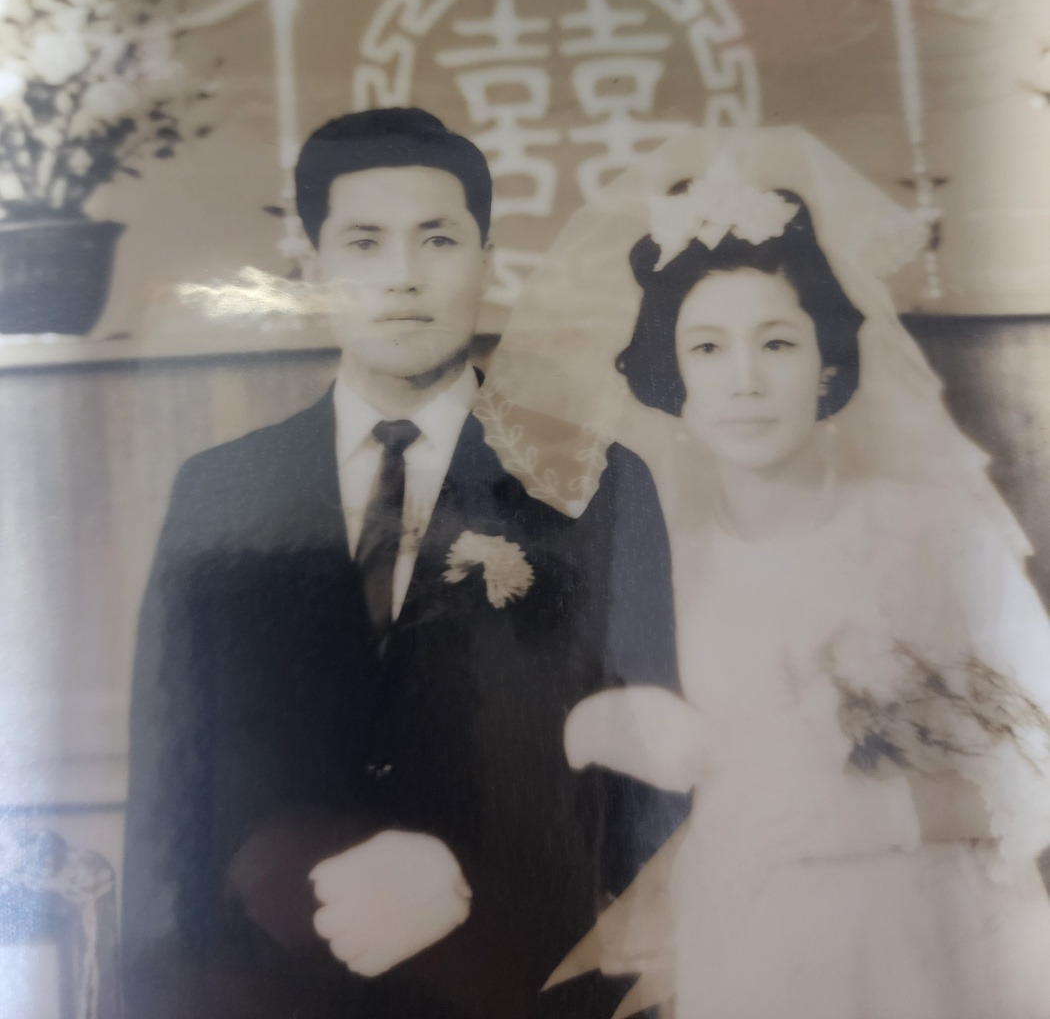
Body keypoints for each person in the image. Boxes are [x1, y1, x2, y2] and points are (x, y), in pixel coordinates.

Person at [121, 107, 687, 1019]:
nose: (403, 276)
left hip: (518, 992)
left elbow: (645, 807)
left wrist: (472, 887)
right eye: (364, 243)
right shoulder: (220, 490)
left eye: (438, 239)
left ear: (487, 259)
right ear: (313, 267)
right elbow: (170, 799)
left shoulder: (593, 484)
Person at [481, 125, 1050, 1019]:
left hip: (934, 946)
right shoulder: (653, 565)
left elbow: (1037, 765)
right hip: (747, 949)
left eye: (777, 343)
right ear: (673, 376)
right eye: (708, 348)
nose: (744, 380)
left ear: (826, 364)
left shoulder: (933, 534)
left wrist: (875, 817)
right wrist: (597, 728)